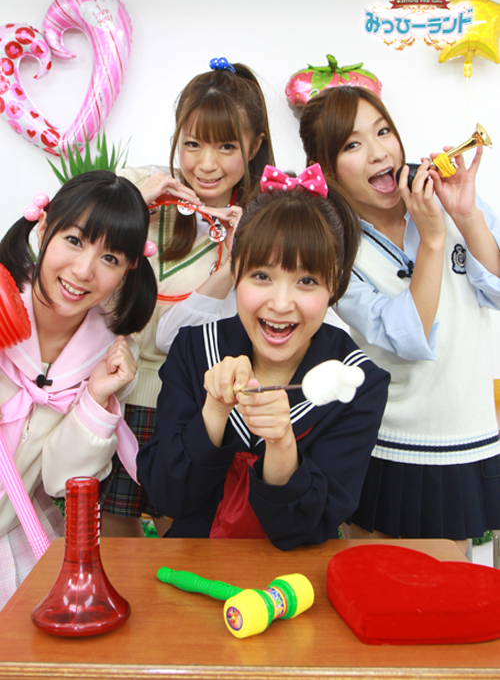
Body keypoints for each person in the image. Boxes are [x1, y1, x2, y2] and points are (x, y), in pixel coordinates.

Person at [137, 166, 390, 550]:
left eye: (307, 281)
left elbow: (308, 527)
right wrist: (214, 411)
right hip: (193, 570)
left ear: (335, 282)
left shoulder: (356, 382)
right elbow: (167, 497)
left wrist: (282, 443)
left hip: (295, 579)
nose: (281, 303)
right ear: (236, 270)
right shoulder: (195, 350)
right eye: (261, 276)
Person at [299, 85, 500, 548]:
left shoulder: (444, 199)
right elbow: (409, 336)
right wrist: (432, 241)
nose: (378, 152)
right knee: (379, 583)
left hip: (468, 433)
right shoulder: (336, 250)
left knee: (455, 585)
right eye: (352, 145)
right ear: (326, 169)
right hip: (390, 444)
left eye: (383, 131)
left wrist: (466, 216)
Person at [101, 58, 274, 536]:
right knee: (115, 533)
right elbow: (65, 246)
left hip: (195, 403)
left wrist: (238, 261)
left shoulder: (262, 223)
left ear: (255, 146)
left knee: (182, 533)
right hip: (116, 394)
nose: (206, 164)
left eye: (226, 146)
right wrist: (132, 204)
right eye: (193, 143)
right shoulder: (140, 186)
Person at [0, 170, 157, 608]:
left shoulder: (108, 356)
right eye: (73, 240)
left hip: (15, 537)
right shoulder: (1, 301)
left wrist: (96, 399)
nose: (83, 270)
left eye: (110, 258)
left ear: (128, 270)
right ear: (43, 228)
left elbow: (59, 480)